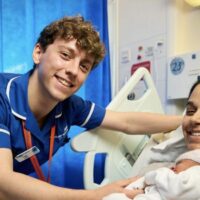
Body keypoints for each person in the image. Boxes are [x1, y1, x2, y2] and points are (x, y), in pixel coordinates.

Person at [0, 16, 182, 200]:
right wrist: (95, 195)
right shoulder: (3, 97)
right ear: (38, 53)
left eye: (84, 66)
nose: (73, 70)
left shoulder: (69, 107)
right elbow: (3, 182)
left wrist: (186, 121)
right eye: (65, 55)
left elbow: (126, 122)